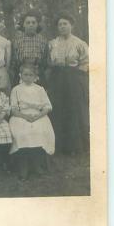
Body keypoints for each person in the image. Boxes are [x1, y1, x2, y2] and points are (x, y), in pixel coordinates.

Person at [47, 11, 89, 155]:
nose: (62, 27)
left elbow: (86, 63)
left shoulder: (79, 43)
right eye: (60, 24)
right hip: (57, 78)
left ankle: (75, 148)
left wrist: (77, 76)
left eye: (65, 24)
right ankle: (60, 146)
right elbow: (48, 62)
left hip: (73, 78)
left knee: (74, 110)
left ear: (71, 25)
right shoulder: (52, 44)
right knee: (58, 108)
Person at [9, 64, 55, 181]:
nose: (28, 77)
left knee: (40, 131)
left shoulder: (39, 89)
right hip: (21, 116)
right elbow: (13, 110)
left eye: (31, 75)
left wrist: (37, 116)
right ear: (21, 75)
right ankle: (23, 167)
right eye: (25, 74)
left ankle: (36, 165)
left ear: (35, 76)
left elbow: (47, 107)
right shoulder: (16, 89)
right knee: (22, 133)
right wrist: (25, 116)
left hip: (38, 115)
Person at [11, 10, 49, 87]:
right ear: (23, 25)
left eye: (33, 22)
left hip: (38, 75)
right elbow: (13, 62)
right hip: (20, 75)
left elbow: (46, 62)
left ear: (37, 24)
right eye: (28, 22)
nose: (31, 25)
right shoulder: (16, 41)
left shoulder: (43, 41)